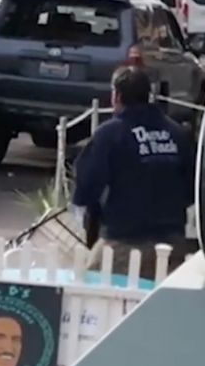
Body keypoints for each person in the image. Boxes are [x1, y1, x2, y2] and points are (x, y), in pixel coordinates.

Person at [71, 66, 196, 280]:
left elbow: (86, 187)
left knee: (89, 290)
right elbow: (192, 188)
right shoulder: (177, 133)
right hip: (171, 243)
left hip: (122, 242)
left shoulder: (110, 134)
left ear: (116, 96)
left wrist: (94, 213)